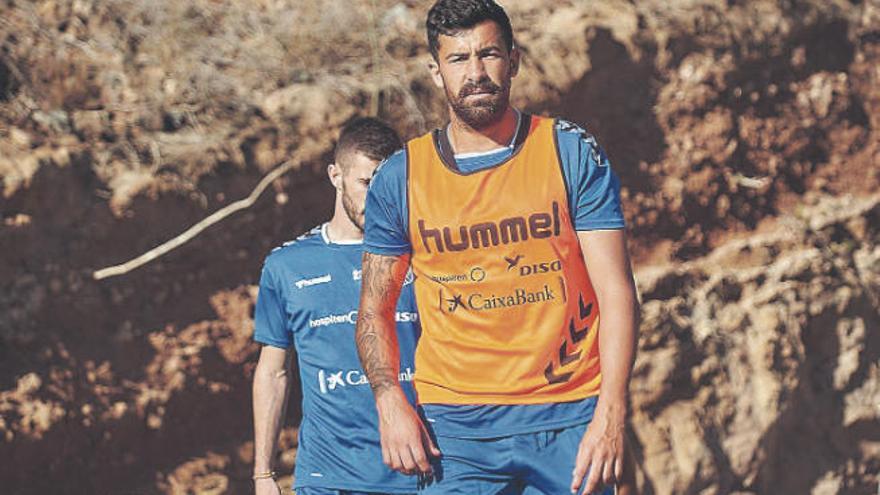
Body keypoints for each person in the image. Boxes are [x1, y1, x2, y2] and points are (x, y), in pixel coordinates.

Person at [354, 1, 639, 494]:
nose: (476, 72)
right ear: (436, 71)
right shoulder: (401, 177)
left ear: (515, 59)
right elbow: (373, 310)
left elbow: (618, 294)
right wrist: (388, 399)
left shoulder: (567, 151)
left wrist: (612, 413)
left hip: (569, 413)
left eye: (488, 54)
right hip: (456, 427)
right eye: (459, 59)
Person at [252, 117, 421, 495]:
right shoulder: (286, 266)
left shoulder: (423, 254)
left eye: (388, 183)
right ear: (335, 175)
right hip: (329, 480)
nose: (378, 196)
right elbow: (273, 373)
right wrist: (264, 474)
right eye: (366, 182)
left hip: (421, 472)